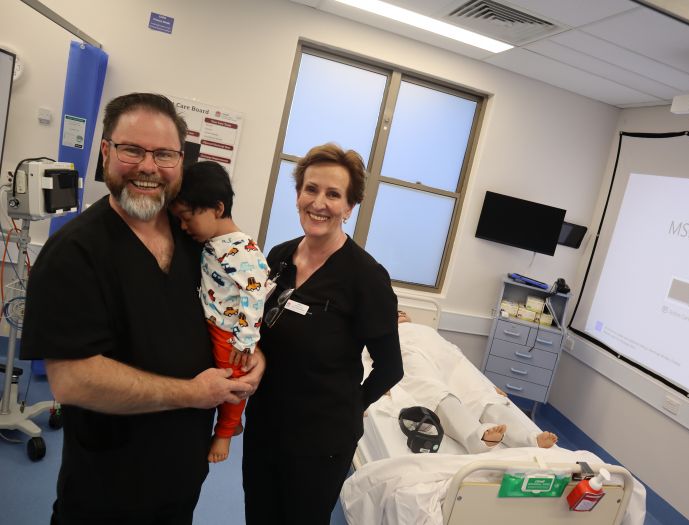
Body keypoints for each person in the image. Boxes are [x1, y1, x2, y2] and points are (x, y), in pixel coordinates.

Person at [20, 93, 264, 524]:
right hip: (108, 492)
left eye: (165, 154)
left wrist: (253, 357)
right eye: (132, 149)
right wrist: (194, 394)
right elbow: (73, 381)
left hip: (183, 480)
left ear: (180, 162)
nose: (149, 167)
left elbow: (228, 309)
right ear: (106, 152)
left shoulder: (194, 239)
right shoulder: (74, 254)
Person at [242, 143, 404, 524]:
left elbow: (390, 367)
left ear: (349, 207)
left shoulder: (365, 277)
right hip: (265, 423)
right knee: (259, 514)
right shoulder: (278, 257)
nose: (319, 202)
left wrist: (347, 411)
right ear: (298, 194)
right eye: (311, 189)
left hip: (320, 441)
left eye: (334, 195)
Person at [171, 161, 270, 463]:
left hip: (231, 332)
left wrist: (245, 340)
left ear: (216, 207)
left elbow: (255, 294)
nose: (184, 227)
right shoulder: (213, 242)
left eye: (188, 218)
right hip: (213, 323)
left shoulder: (242, 250)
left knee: (235, 380)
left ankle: (225, 431)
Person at [393, 311, 558, 453]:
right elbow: (374, 359)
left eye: (402, 311)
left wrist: (486, 385)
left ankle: (529, 439)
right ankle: (475, 437)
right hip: (412, 355)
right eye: (394, 314)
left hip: (448, 361)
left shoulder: (427, 329)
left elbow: (458, 357)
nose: (400, 313)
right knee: (437, 392)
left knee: (483, 395)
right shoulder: (387, 334)